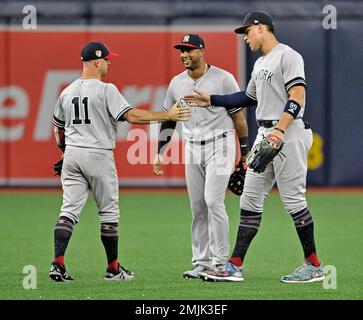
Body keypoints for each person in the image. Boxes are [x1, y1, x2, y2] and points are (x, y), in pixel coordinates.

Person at [184, 11, 324, 283]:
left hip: (288, 132)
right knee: (249, 199)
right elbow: (248, 97)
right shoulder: (260, 63)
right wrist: (211, 99)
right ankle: (234, 266)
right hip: (265, 132)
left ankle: (314, 265)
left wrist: (279, 131)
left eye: (247, 31)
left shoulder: (288, 55)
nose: (245, 37)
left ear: (261, 28)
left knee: (293, 199)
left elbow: (298, 95)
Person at [49, 41, 191, 282]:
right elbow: (132, 115)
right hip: (98, 154)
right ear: (96, 62)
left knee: (68, 210)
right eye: (106, 59)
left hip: (72, 154)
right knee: (108, 212)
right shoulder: (106, 90)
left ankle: (58, 263)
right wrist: (168, 115)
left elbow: (58, 129)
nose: (109, 62)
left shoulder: (67, 91)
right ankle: (113, 269)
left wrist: (64, 153)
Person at [152, 34, 249, 279]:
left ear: (202, 51)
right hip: (192, 146)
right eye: (181, 50)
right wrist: (160, 152)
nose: (184, 54)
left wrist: (245, 153)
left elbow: (239, 118)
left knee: (213, 200)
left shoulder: (223, 78)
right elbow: (170, 119)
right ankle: (202, 261)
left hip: (221, 143)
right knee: (198, 206)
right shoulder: (176, 83)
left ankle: (222, 262)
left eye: (190, 50)